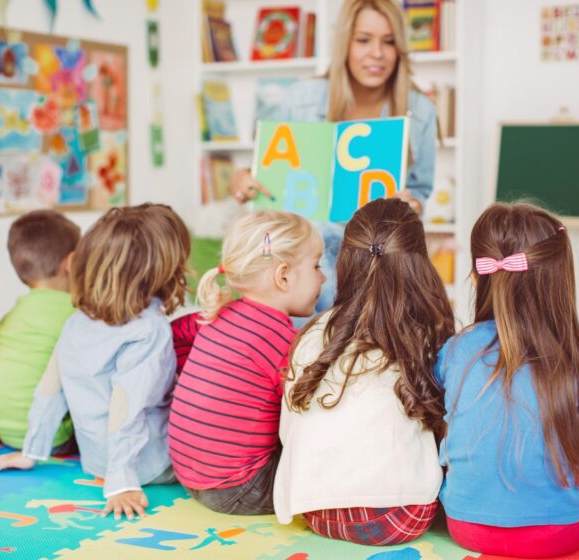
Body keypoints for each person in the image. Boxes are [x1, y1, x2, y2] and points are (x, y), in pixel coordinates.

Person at [435, 202, 579, 558]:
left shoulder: (455, 350)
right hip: (555, 537)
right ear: (561, 281)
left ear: (477, 276)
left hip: (465, 528)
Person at [231, 0, 438, 313]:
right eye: (363, 40)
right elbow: (271, 167)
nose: (377, 53)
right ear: (344, 43)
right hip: (299, 269)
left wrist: (412, 206)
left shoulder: (420, 110)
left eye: (389, 41)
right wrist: (243, 178)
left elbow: (420, 189)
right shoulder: (301, 98)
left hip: (374, 265)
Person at [0, 204, 191, 520]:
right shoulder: (150, 329)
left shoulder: (77, 321)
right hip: (145, 464)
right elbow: (127, 405)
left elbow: (50, 388)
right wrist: (121, 480)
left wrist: (33, 449)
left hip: (95, 459)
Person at [274, 198, 452, 545]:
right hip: (401, 515)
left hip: (317, 510)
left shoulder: (312, 332)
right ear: (419, 264)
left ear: (345, 261)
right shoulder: (426, 332)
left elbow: (288, 432)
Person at [168, 210, 324, 515]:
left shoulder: (213, 315)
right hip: (240, 488)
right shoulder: (281, 341)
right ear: (283, 276)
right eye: (316, 266)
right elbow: (312, 409)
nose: (324, 276)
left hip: (188, 475)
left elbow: (172, 336)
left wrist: (206, 378)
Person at [0, 210, 80, 453]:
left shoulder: (13, 315)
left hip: (3, 430)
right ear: (71, 262)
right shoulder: (75, 314)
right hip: (54, 438)